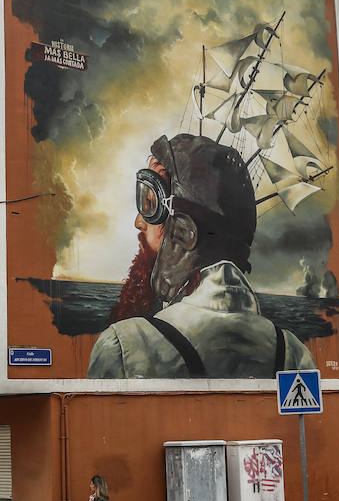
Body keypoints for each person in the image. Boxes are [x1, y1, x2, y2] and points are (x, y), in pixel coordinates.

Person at [88, 133, 315, 378]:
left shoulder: (123, 350)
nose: (138, 222)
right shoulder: (292, 353)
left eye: (149, 203)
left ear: (184, 233)